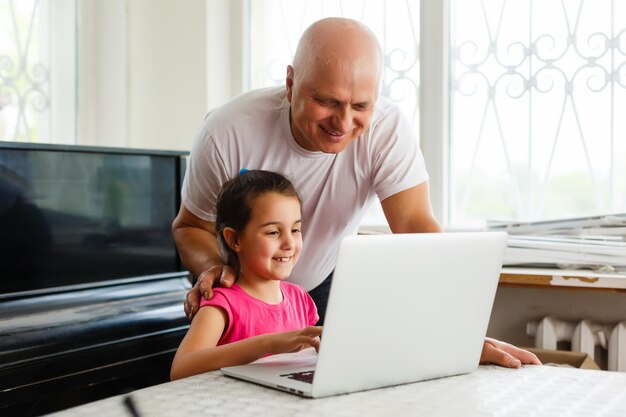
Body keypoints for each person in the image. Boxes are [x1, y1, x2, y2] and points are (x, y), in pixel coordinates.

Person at [172, 17, 541, 369]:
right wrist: (216, 271)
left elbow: (415, 226)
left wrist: (456, 336)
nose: (344, 123)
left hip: (314, 293)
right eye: (328, 102)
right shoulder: (227, 131)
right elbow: (189, 228)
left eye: (361, 106)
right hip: (240, 293)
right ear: (290, 83)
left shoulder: (385, 130)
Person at [170, 170, 321, 380]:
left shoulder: (300, 299)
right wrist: (269, 344)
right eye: (273, 232)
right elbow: (181, 369)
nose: (289, 244)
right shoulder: (221, 304)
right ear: (235, 240)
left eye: (295, 230)